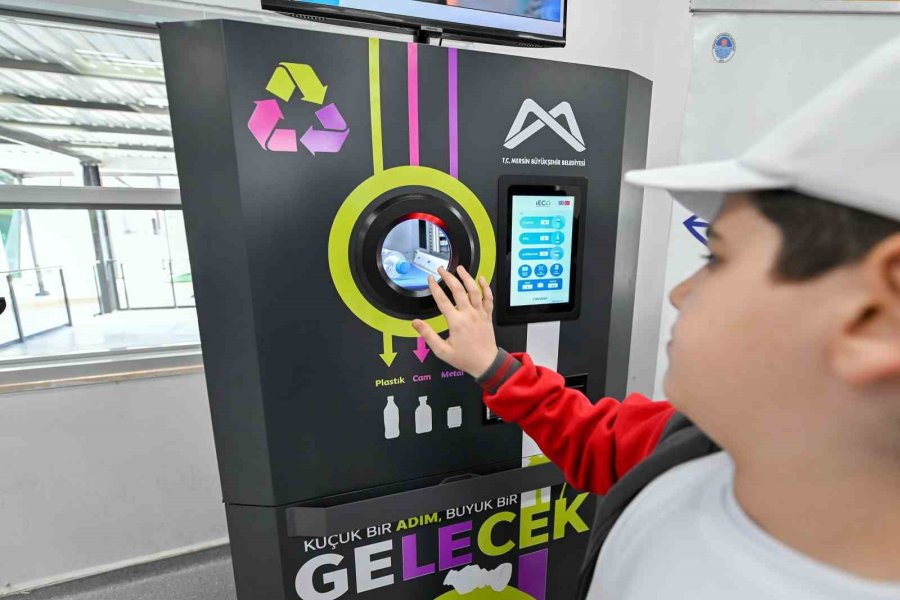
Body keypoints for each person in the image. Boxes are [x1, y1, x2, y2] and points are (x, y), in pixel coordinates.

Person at [411, 36, 900, 600]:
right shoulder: (691, 442)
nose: (679, 293)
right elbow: (593, 440)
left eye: (716, 257)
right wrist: (492, 365)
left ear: (872, 317)